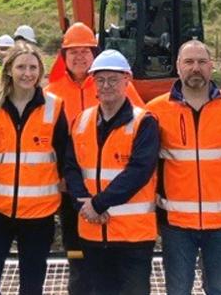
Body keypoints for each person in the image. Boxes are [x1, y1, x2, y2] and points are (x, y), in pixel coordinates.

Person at [147, 40, 221, 295]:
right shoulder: (156, 110)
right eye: (189, 62)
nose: (196, 68)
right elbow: (149, 166)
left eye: (201, 62)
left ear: (211, 66)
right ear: (178, 66)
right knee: (178, 289)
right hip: (176, 223)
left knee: (220, 289)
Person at [45, 22, 143, 294]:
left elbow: (140, 125)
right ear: (63, 56)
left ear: (94, 53)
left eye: (85, 51)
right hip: (73, 191)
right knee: (76, 252)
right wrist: (64, 180)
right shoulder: (51, 91)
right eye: (72, 51)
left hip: (116, 192)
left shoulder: (110, 81)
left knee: (113, 254)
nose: (79, 57)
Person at [0, 41, 67, 295]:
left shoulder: (54, 108)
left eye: (33, 67)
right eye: (21, 66)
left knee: (31, 286)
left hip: (39, 215)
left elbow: (66, 157)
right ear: (9, 71)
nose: (28, 73)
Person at [65, 50, 160, 295]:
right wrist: (82, 205)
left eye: (113, 79)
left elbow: (139, 172)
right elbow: (71, 167)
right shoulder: (82, 121)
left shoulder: (144, 122)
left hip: (133, 236)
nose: (106, 85)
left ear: (127, 81)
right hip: (93, 232)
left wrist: (97, 204)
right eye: (100, 80)